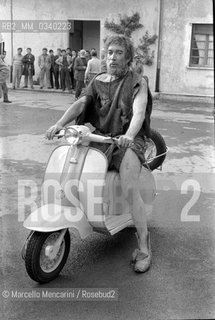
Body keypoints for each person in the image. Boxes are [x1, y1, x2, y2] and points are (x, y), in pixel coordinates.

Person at [45, 35, 153, 273]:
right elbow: (81, 104)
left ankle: (144, 245)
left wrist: (130, 135)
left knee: (129, 186)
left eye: (118, 53)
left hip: (128, 140)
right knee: (73, 163)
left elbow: (138, 112)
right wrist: (60, 123)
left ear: (128, 57)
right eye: (109, 52)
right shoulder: (97, 80)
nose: (112, 57)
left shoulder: (138, 82)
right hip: (102, 136)